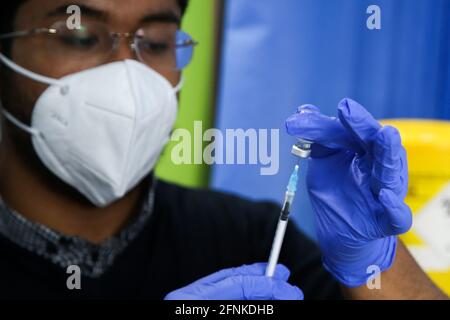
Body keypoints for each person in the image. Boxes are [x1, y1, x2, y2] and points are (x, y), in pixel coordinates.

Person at [0, 0, 446, 300]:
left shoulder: (248, 236)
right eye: (81, 37)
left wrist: (373, 259)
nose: (127, 78)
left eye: (155, 42)